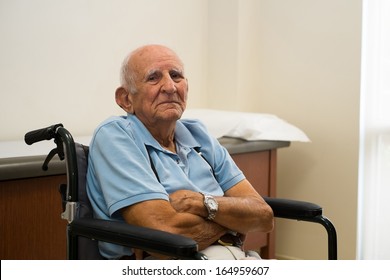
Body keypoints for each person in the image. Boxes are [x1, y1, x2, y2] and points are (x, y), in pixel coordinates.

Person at [86, 44, 274, 260]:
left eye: (176, 76)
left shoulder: (199, 134)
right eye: (154, 78)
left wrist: (200, 204)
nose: (170, 87)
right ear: (126, 99)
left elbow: (263, 216)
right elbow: (165, 237)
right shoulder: (115, 136)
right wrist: (232, 222)